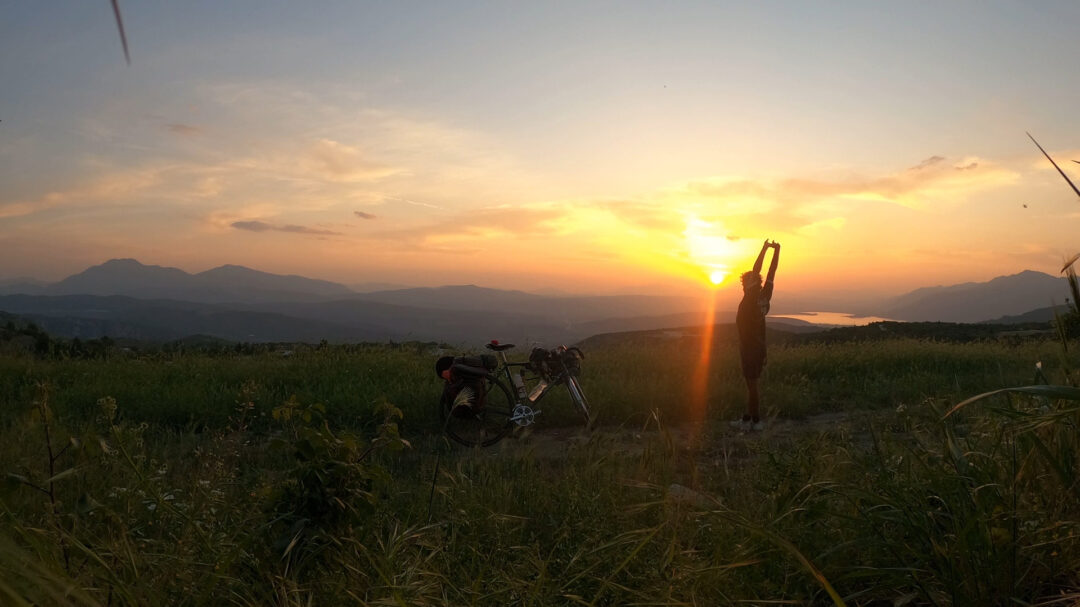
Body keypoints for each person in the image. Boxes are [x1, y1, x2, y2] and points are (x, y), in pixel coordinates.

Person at [731, 239, 780, 431]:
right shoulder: (765, 295)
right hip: (757, 347)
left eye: (745, 281)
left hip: (750, 348)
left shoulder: (750, 295)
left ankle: (756, 421)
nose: (743, 285)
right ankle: (747, 418)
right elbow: (771, 271)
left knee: (752, 385)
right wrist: (777, 251)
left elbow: (758, 268)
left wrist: (765, 248)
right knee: (750, 384)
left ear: (749, 283)